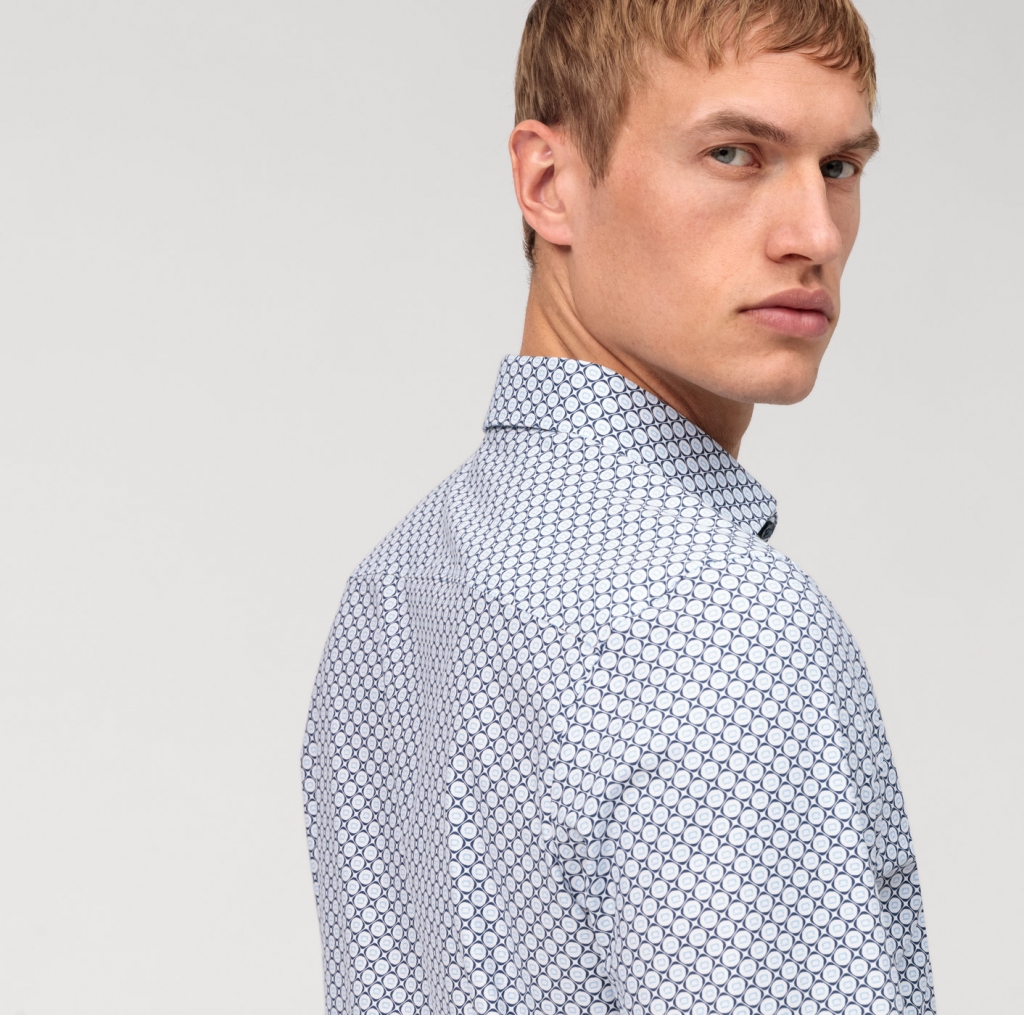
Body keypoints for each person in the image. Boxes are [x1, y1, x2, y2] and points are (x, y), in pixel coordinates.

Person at [301, 1, 935, 1013]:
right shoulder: (722, 624)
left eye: (838, 166)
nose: (814, 234)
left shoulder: (397, 582)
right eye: (734, 154)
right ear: (549, 183)